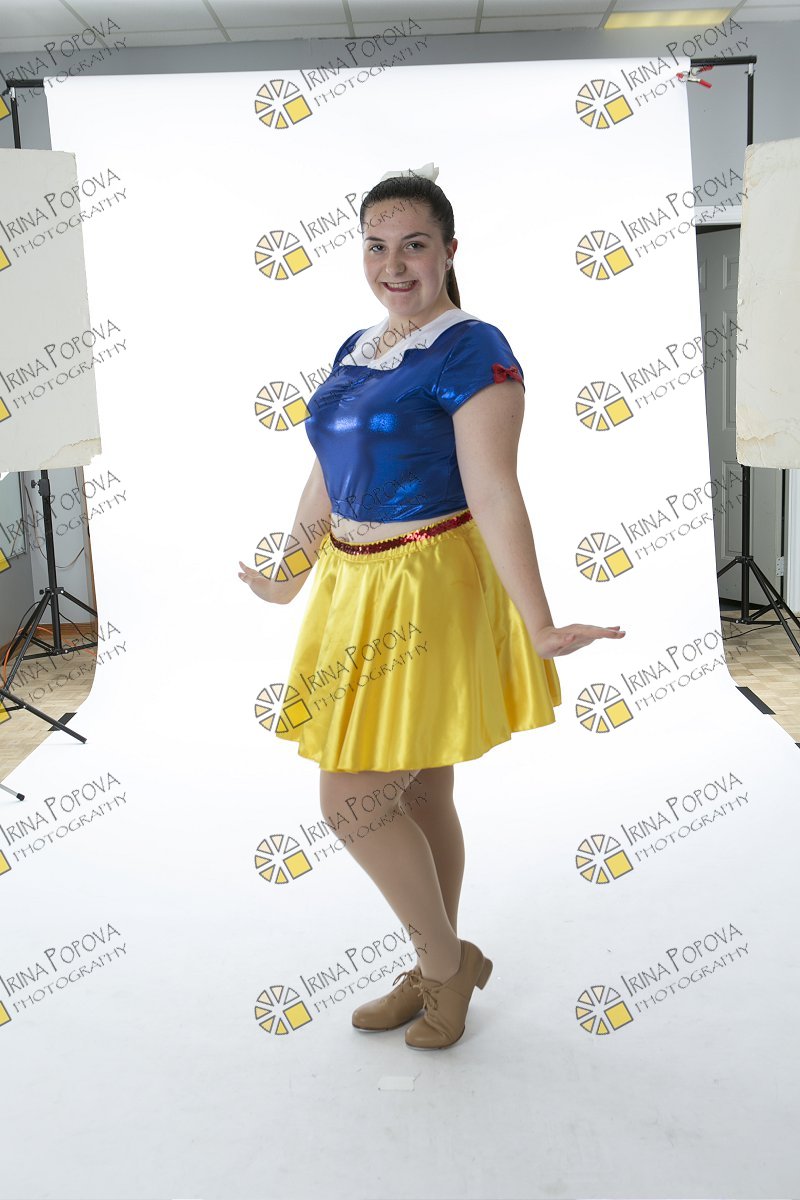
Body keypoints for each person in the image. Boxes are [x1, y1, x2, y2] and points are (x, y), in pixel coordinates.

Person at [238, 163, 625, 1050]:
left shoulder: (472, 348)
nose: (394, 264)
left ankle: (447, 966)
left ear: (449, 250)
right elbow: (327, 473)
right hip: (354, 584)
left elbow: (495, 489)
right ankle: (435, 964)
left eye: (414, 245)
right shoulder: (358, 347)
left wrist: (538, 621)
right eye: (376, 246)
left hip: (430, 584)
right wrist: (291, 571)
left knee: (351, 798)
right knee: (417, 792)